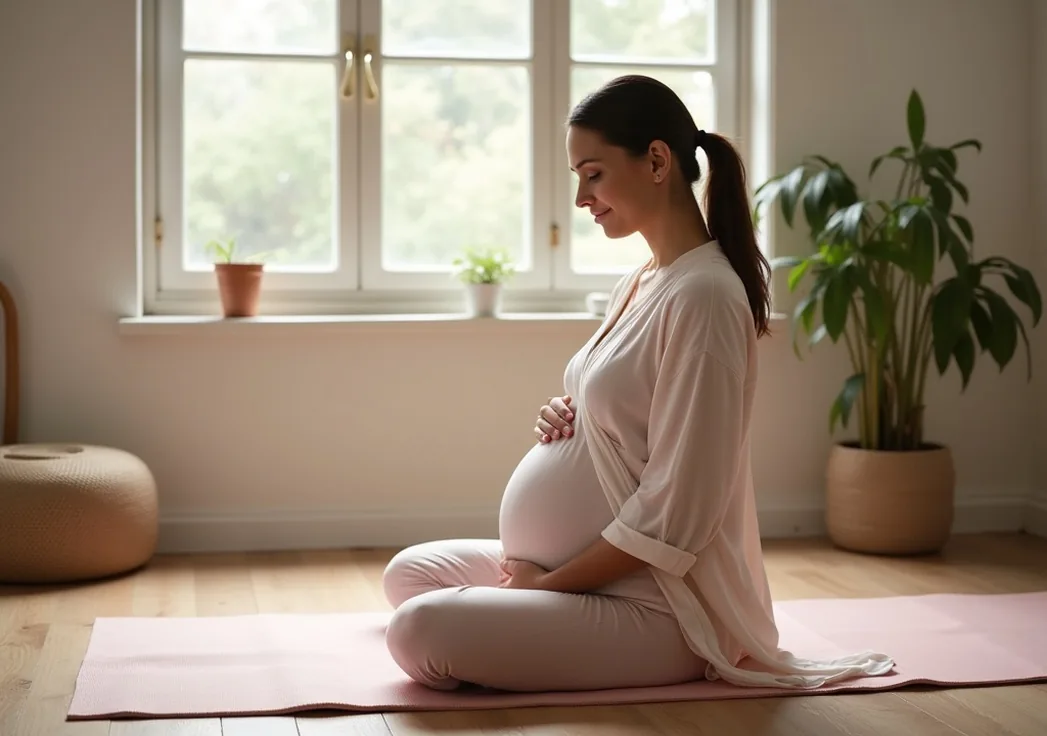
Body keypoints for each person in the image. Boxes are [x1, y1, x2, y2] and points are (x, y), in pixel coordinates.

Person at [381, 75, 894, 693]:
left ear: (657, 161)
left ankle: (519, 620)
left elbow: (679, 510)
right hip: (580, 572)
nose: (580, 197)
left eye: (592, 174)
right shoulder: (646, 278)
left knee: (420, 629)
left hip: (659, 604)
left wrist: (547, 586)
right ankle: (515, 619)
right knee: (410, 573)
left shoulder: (705, 295)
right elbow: (627, 411)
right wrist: (569, 417)